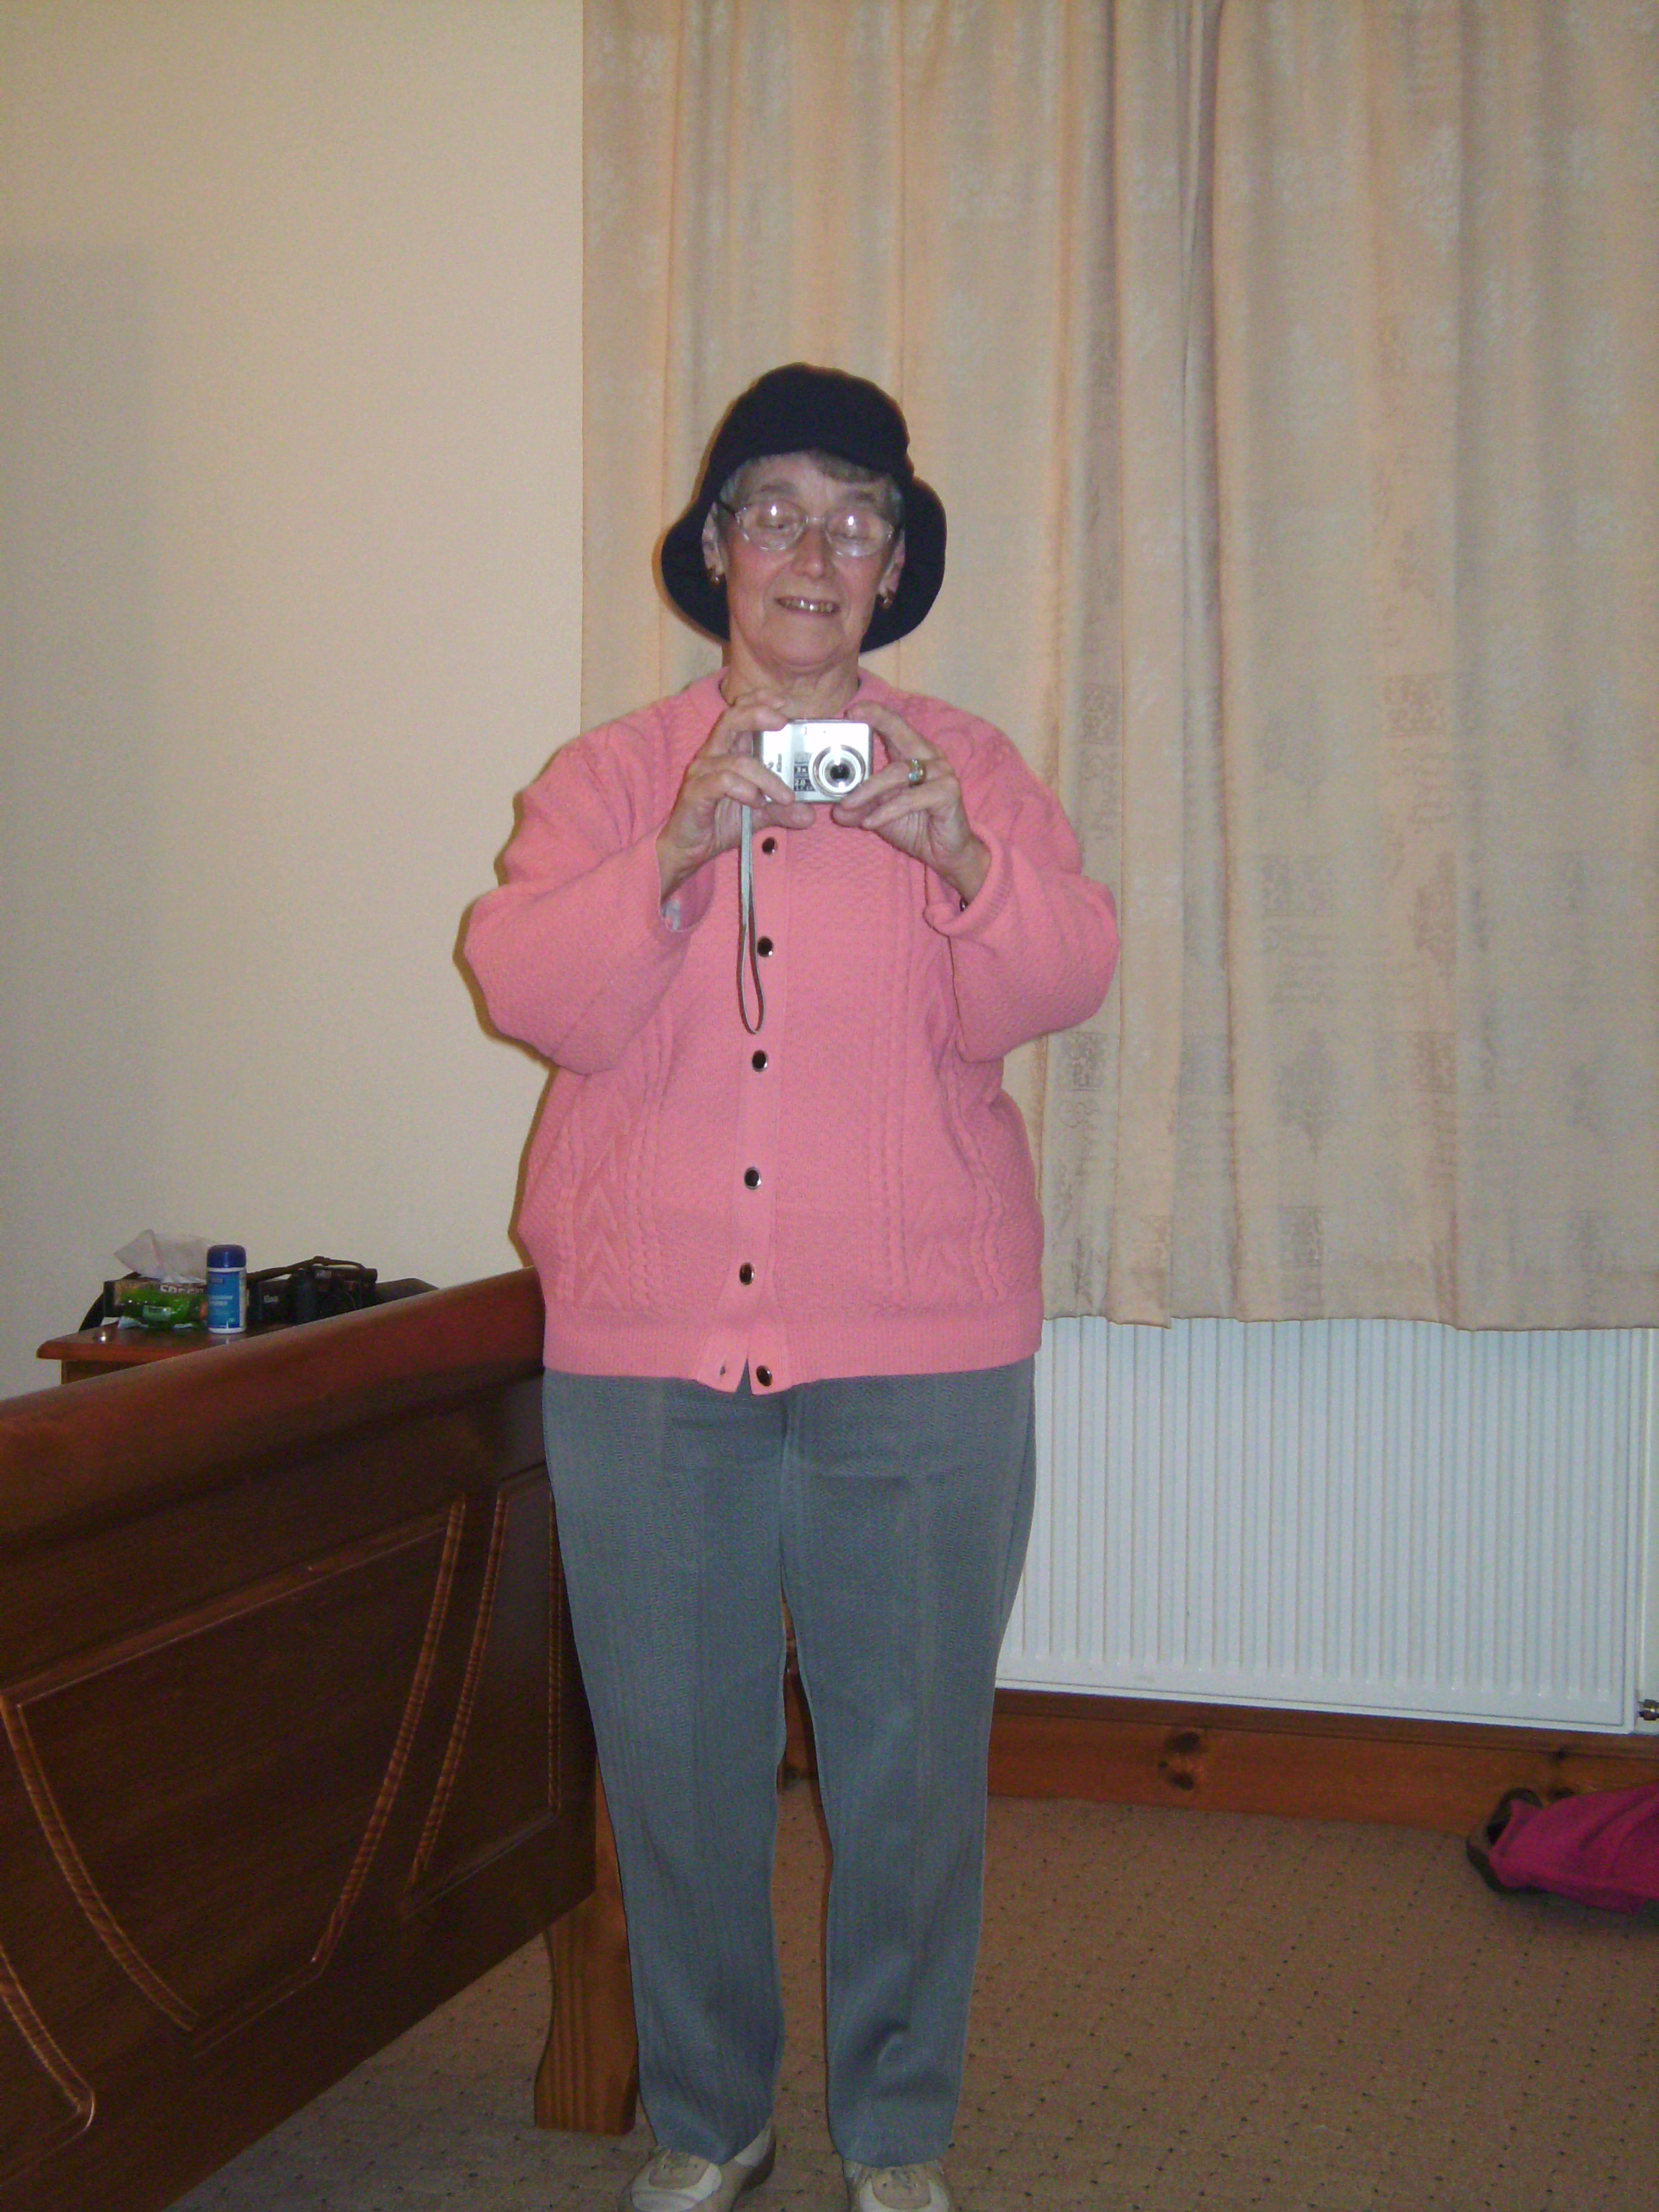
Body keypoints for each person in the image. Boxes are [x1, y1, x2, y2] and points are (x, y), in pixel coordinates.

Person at [464, 364, 1118, 2212]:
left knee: (908, 1771)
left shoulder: (967, 764)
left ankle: (896, 2129)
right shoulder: (608, 779)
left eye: (856, 521)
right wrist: (676, 849)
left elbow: (1062, 975)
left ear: (895, 563)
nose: (813, 553)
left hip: (919, 1353)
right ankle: (710, 2114)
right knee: (676, 1765)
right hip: (648, 1347)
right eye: (776, 513)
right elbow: (530, 988)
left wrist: (957, 855)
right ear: (718, 548)